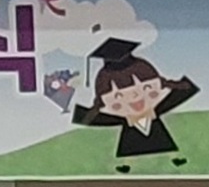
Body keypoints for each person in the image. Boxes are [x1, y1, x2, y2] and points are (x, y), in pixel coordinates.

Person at [72, 36, 193, 164]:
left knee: (162, 140)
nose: (135, 97)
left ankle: (174, 158)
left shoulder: (157, 108)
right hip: (131, 130)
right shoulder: (120, 117)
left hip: (153, 125)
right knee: (129, 145)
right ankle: (126, 164)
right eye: (119, 96)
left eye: (146, 88)